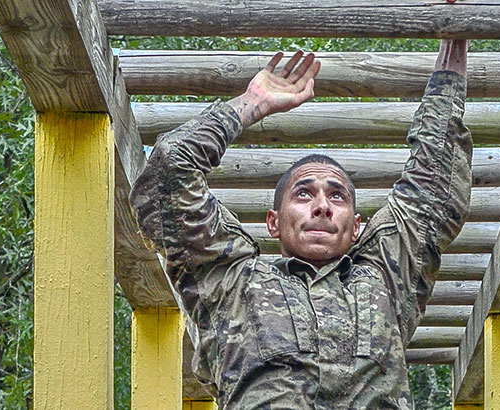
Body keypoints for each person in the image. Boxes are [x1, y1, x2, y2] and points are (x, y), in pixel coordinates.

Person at [130, 39, 472, 409]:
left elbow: (433, 180)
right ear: (273, 223)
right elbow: (168, 170)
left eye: (337, 196)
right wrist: (249, 105)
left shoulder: (387, 277)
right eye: (304, 194)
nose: (322, 206)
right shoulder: (231, 282)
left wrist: (451, 58)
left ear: (356, 227)